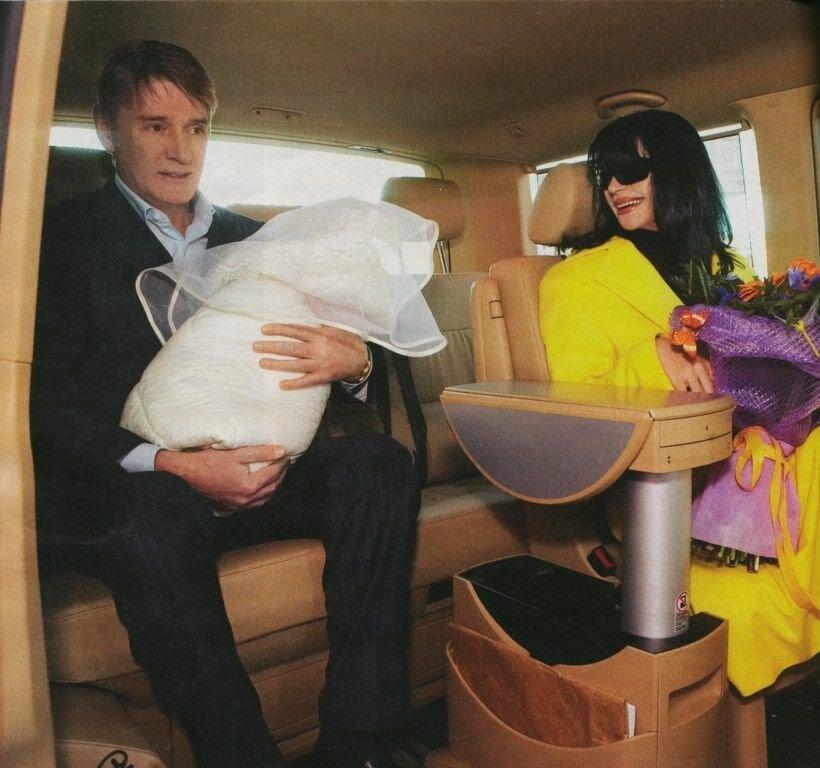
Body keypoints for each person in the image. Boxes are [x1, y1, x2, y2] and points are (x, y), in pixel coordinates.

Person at [31, 39, 420, 768]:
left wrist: (357, 362)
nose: (181, 151)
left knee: (380, 464)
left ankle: (360, 743)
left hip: (262, 472)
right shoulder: (55, 240)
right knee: (152, 506)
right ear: (108, 129)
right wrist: (172, 464)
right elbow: (45, 411)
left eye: (197, 127)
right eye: (155, 126)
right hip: (140, 488)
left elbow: (347, 348)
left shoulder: (257, 240)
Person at [538, 109, 818, 697]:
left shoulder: (730, 268)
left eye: (632, 170)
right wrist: (653, 356)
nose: (615, 187)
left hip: (759, 457)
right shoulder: (575, 281)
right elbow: (576, 405)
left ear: (677, 170)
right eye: (607, 175)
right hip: (663, 483)